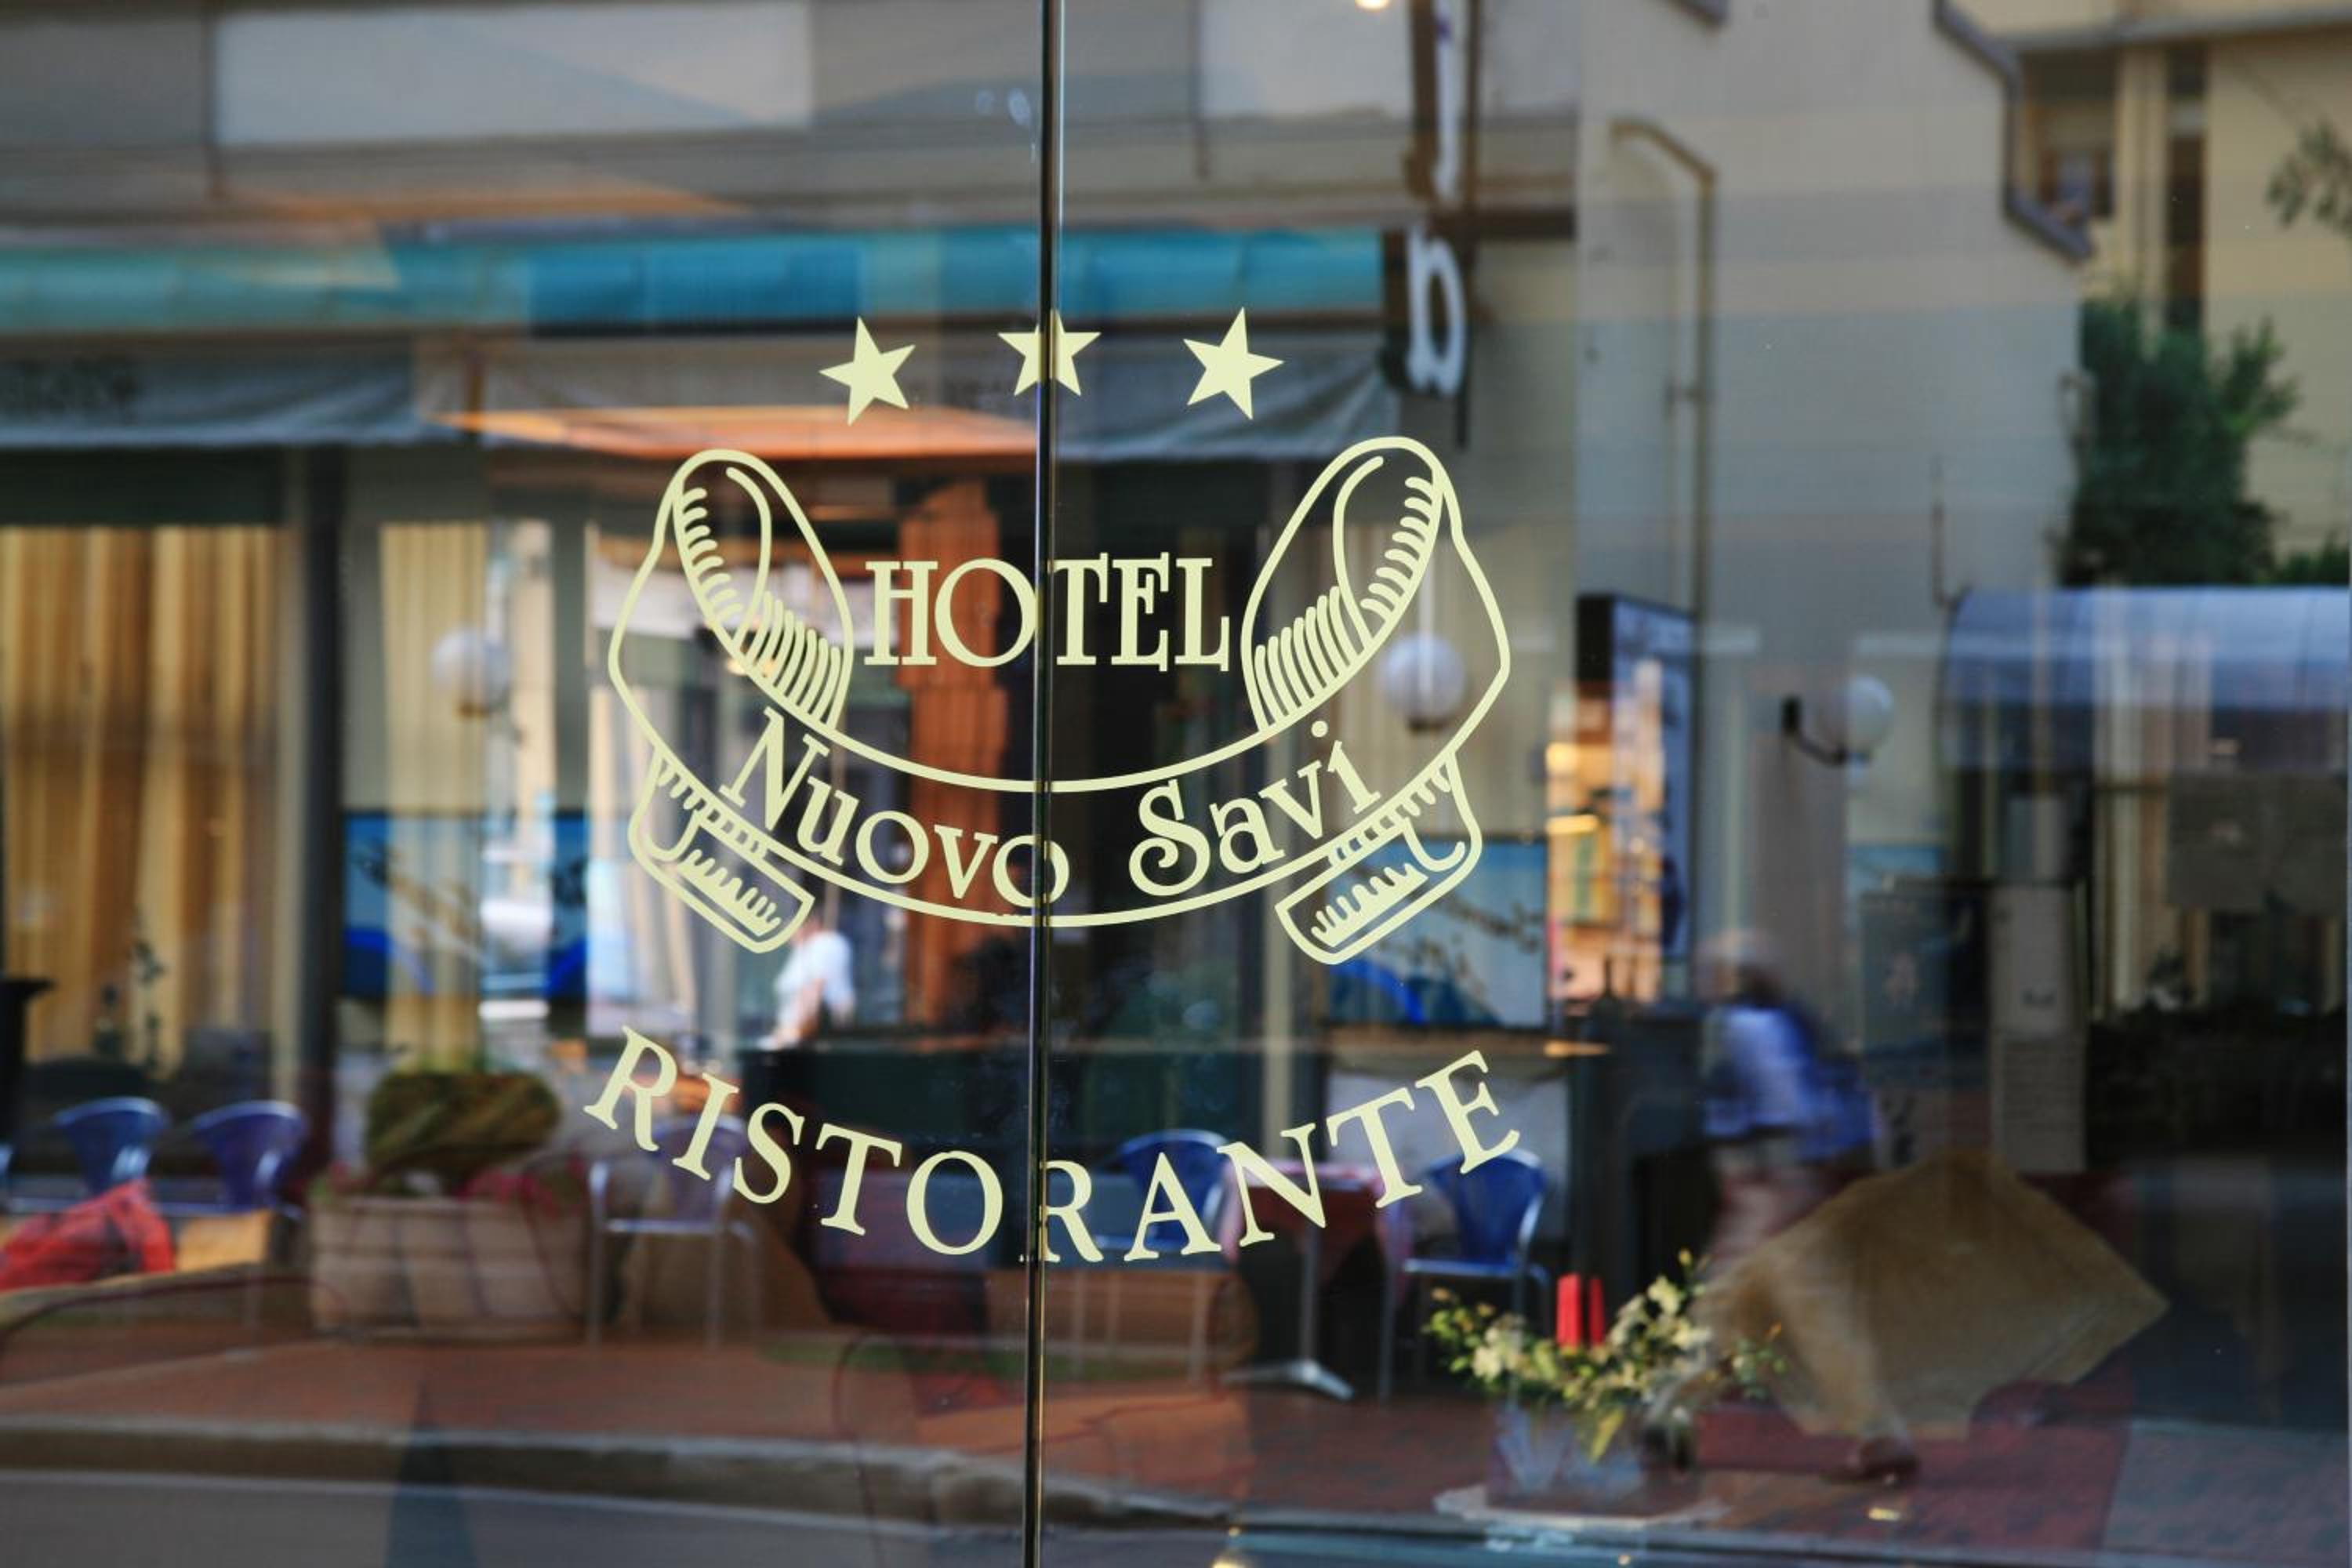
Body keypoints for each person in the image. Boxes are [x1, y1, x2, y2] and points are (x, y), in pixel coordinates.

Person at [1697, 931, 1913, 1483]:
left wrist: (1765, 1183)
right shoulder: (1792, 1020)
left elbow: (1779, 1107)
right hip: (1794, 1184)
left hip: (1774, 1189)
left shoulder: (1743, 1026)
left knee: (1741, 1306)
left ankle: (1667, 1416)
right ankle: (1667, 1415)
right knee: (1747, 1307)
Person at [768, 911, 855, 1050]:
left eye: (791, 930)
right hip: (800, 1032)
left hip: (807, 1033)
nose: (787, 937)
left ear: (811, 925)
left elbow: (816, 986)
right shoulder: (809, 947)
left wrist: (793, 1032)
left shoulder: (822, 944)